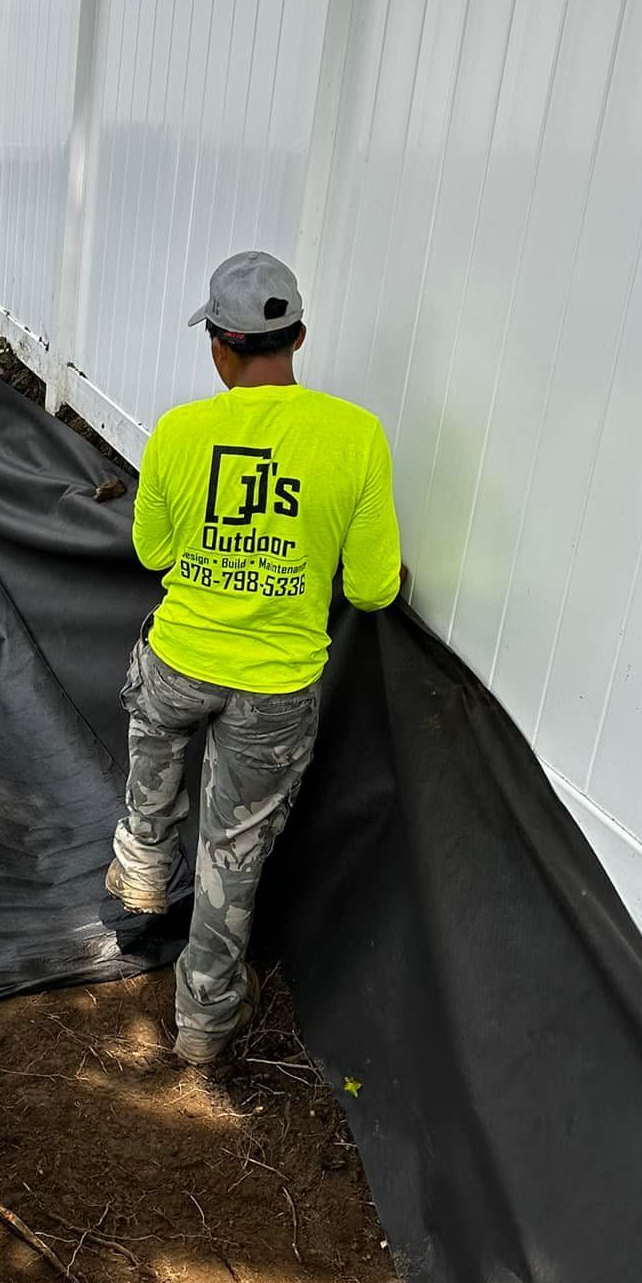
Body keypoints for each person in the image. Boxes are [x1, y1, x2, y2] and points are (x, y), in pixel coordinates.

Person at [107, 250, 402, 1068]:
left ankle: (143, 857)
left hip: (181, 660)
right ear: (298, 337)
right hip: (274, 689)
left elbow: (152, 553)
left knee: (155, 723)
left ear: (218, 346)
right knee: (232, 857)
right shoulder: (356, 436)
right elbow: (372, 590)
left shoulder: (179, 431)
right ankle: (203, 1026)